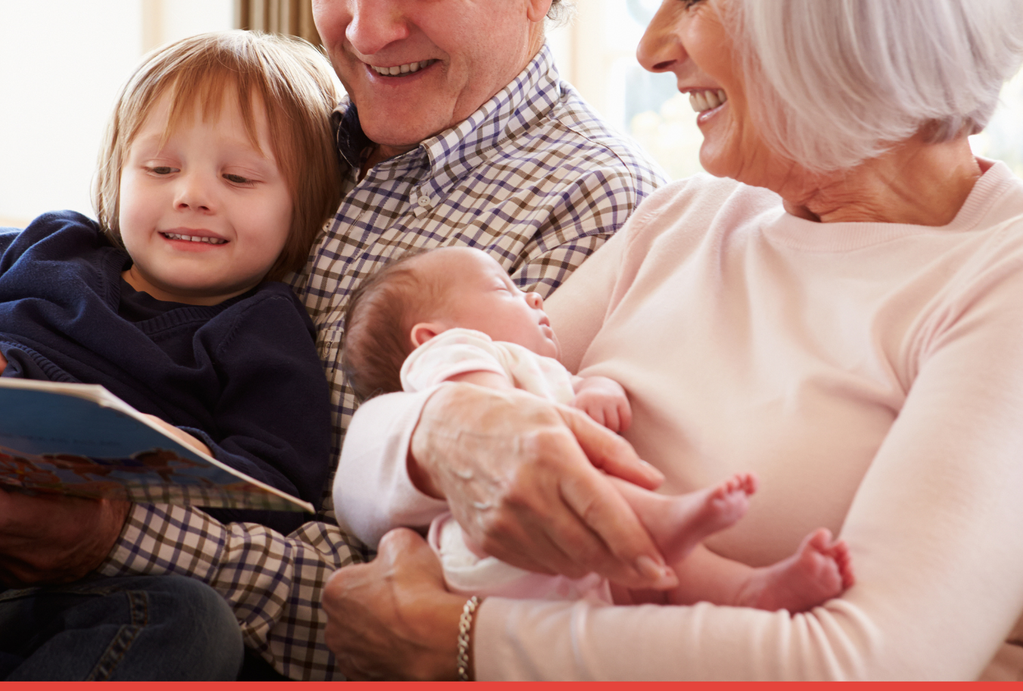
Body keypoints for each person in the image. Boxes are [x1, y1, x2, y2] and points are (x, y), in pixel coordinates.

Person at [322, 0, 1023, 681]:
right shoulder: (685, 222)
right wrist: (442, 430)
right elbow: (363, 462)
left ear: (841, 3)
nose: (651, 47)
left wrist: (465, 641)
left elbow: (862, 667)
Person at [83, 0, 665, 679]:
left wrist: (109, 536)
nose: (364, 29)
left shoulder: (596, 208)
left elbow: (434, 607)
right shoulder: (276, 143)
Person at [0, 30, 341, 679]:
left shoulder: (266, 329)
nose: (192, 193)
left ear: (303, 204)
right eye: (160, 168)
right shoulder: (49, 245)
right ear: (117, 174)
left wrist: (172, 452)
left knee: (191, 619)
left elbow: (279, 486)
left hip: (46, 586)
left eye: (239, 176)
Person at [340, 244, 854, 612]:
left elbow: (580, 388)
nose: (537, 296)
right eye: (506, 288)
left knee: (658, 581)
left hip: (566, 584)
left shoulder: (540, 370)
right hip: (496, 548)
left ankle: (749, 592)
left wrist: (598, 389)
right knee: (600, 490)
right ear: (432, 336)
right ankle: (667, 518)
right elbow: (487, 422)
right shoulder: (458, 355)